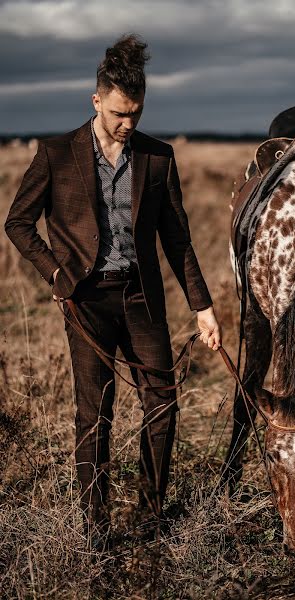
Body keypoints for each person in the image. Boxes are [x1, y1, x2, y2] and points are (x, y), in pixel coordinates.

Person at [5, 34, 221, 546]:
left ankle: (151, 514)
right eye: (120, 113)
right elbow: (18, 223)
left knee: (163, 403)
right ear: (96, 99)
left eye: (137, 114)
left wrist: (203, 307)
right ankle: (96, 528)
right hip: (86, 301)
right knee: (92, 411)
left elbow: (178, 239)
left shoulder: (159, 158)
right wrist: (56, 273)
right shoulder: (56, 154)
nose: (128, 125)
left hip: (142, 298)